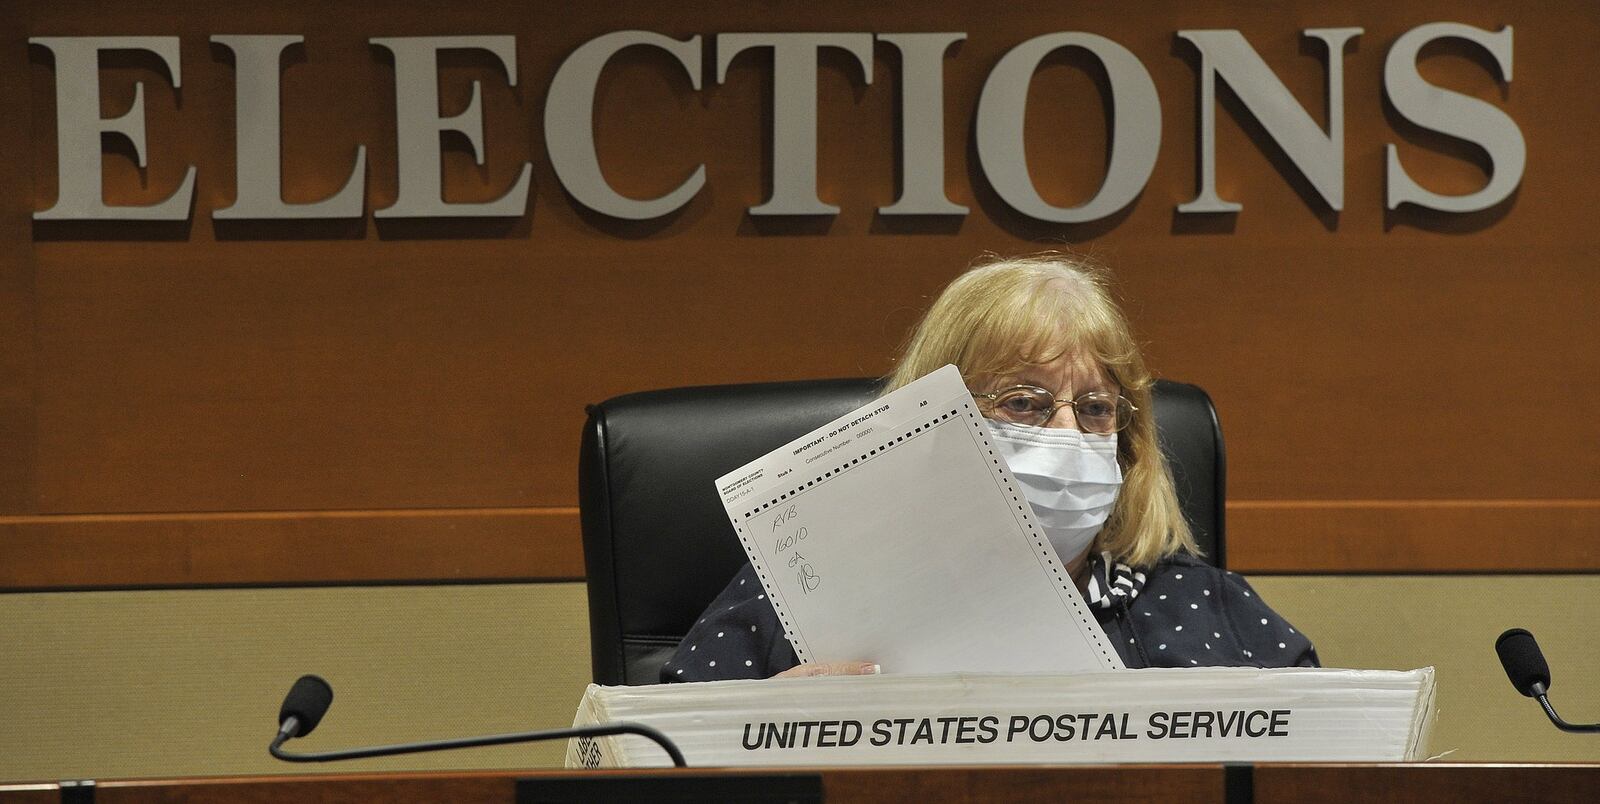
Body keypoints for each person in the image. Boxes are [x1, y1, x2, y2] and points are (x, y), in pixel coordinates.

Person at [662, 253, 1317, 682]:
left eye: (1094, 409)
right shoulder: (801, 589)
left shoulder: (1202, 602)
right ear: (931, 413)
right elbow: (638, 762)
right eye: (1025, 402)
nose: (1068, 432)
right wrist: (756, 733)